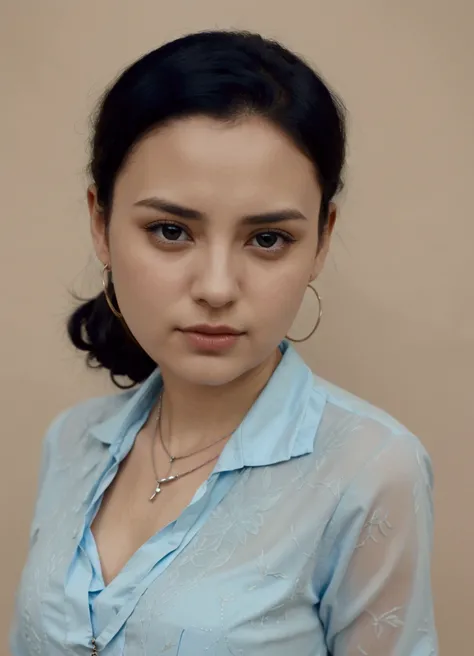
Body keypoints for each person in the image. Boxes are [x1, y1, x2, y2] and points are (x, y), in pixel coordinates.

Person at [10, 29, 437, 656]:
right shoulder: (72, 442)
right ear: (101, 224)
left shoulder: (372, 471)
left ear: (321, 239)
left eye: (267, 239)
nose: (216, 287)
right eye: (170, 230)